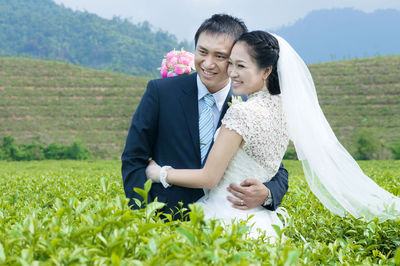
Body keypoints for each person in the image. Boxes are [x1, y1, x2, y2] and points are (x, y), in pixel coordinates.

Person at [146, 30, 400, 239]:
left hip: (224, 216)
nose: (232, 73)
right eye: (231, 64)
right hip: (260, 222)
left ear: (266, 70)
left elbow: (209, 177)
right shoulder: (286, 110)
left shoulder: (242, 113)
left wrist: (159, 173)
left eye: (241, 66)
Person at [121, 14, 289, 218]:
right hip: (163, 219)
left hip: (223, 223)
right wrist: (142, 215)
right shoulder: (161, 92)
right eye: (202, 52)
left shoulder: (247, 109)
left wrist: (268, 193)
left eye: (220, 56)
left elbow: (275, 167)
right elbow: (134, 158)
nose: (208, 64)